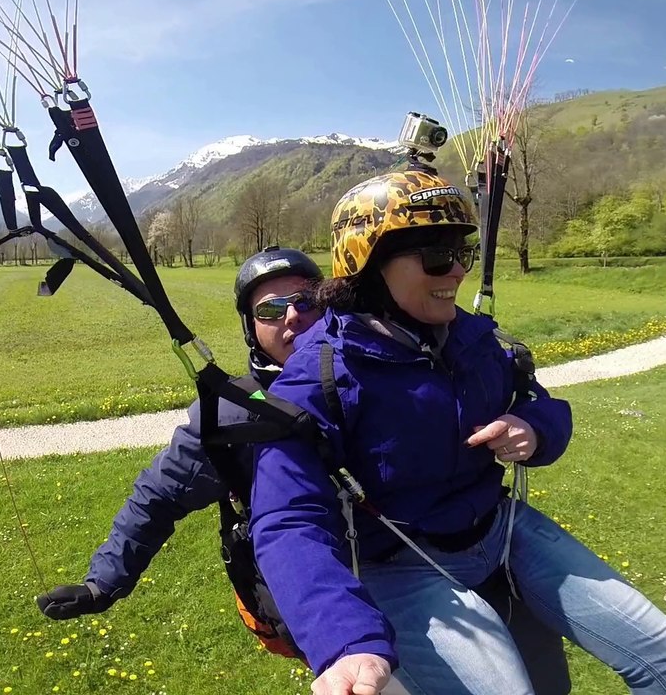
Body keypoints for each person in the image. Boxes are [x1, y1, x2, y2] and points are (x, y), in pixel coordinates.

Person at [250, 169, 666, 695]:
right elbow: (288, 514)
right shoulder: (318, 376)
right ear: (366, 267)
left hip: (500, 528)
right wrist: (344, 640)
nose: (454, 271)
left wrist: (534, 429)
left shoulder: (472, 341)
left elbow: (538, 402)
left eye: (462, 254)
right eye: (434, 257)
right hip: (400, 564)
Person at [34, 246, 572, 694]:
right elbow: (159, 496)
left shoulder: (372, 371)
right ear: (251, 328)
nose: (293, 317)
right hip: (337, 597)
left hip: (429, 565)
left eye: (307, 300)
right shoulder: (236, 414)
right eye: (270, 311)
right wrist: (103, 583)